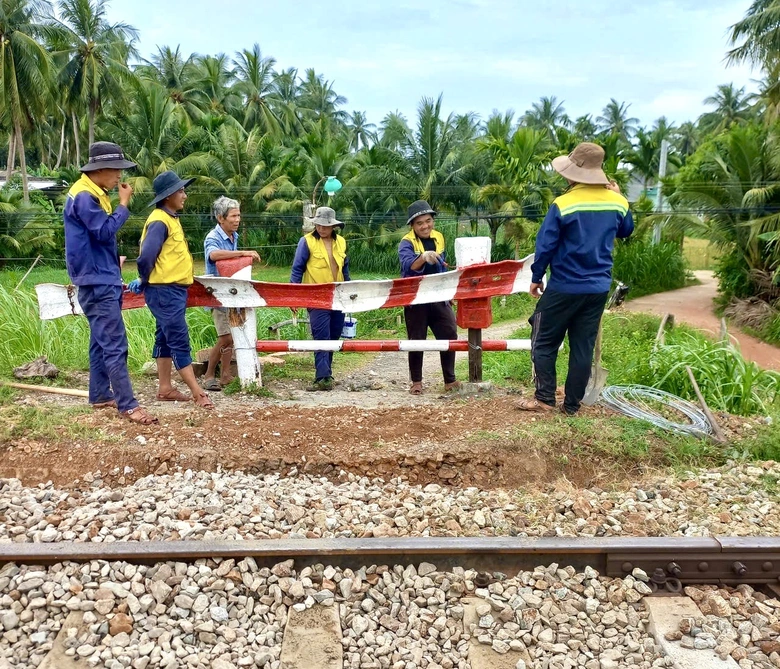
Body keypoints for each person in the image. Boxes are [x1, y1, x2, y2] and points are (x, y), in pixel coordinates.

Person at [517, 142, 634, 416]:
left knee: (543, 338)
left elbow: (546, 245)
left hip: (564, 285)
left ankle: (545, 397)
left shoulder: (563, 204)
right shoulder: (617, 202)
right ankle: (572, 405)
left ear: (573, 173)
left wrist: (536, 276)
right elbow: (626, 230)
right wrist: (620, 197)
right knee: (582, 345)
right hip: (598, 288)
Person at [63, 141, 157, 425]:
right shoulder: (84, 197)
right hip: (96, 279)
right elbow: (104, 231)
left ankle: (101, 394)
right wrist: (123, 205)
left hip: (100, 275)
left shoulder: (93, 193)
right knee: (115, 343)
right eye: (117, 170)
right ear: (101, 169)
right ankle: (128, 405)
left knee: (99, 340)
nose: (120, 177)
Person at [128, 170, 214, 409]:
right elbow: (146, 257)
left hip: (171, 289)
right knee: (178, 337)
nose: (184, 195)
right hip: (164, 289)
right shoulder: (159, 220)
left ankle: (165, 388)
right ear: (168, 196)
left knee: (165, 337)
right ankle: (198, 393)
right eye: (181, 191)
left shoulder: (169, 218)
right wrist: (144, 279)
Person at [398, 200, 461, 395]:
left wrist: (450, 292)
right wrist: (423, 257)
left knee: (450, 334)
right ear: (412, 226)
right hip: (416, 298)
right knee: (417, 339)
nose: (425, 226)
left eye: (428, 221)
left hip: (439, 295)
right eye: (420, 223)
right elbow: (408, 266)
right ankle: (416, 382)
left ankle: (450, 380)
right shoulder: (406, 243)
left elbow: (443, 265)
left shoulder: (439, 237)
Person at [201, 196, 261, 390]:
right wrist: (243, 253)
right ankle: (209, 375)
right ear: (221, 218)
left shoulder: (233, 236)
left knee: (231, 334)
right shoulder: (213, 237)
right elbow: (214, 255)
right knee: (225, 336)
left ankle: (225, 374)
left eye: (238, 216)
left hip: (231, 292)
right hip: (217, 293)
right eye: (233, 216)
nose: (237, 220)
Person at [290, 206, 350, 391]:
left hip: (338, 295)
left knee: (333, 335)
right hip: (316, 296)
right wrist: (294, 297)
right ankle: (321, 376)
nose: (322, 229)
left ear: (333, 226)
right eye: (318, 225)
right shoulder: (306, 242)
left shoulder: (341, 242)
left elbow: (345, 270)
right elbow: (297, 269)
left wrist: (350, 293)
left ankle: (327, 374)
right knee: (321, 335)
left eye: (325, 225)